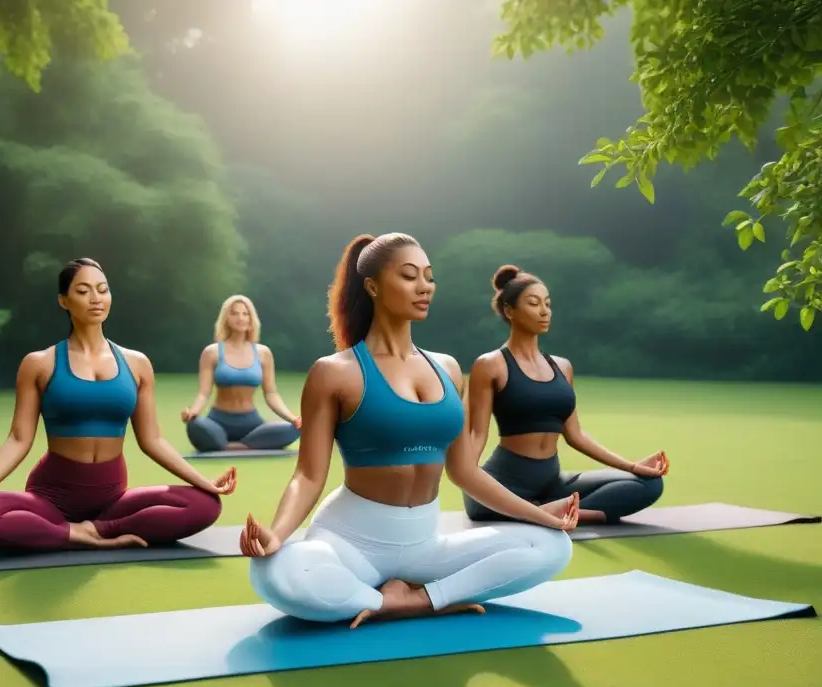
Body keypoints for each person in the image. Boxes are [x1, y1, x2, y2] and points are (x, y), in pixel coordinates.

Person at [239, 233, 578, 629]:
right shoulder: (334, 372)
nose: (424, 287)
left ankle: (419, 599)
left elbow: (465, 472)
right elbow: (309, 474)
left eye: (429, 277)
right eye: (409, 276)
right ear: (373, 286)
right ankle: (387, 599)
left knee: (553, 545)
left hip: (425, 547)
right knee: (275, 572)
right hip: (351, 542)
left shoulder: (448, 369)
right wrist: (278, 535)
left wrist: (537, 514)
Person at [0, 258, 237, 551]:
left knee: (205, 505)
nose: (96, 298)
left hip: (112, 500)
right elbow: (19, 438)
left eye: (103, 289)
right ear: (63, 300)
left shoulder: (137, 364)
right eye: (83, 290)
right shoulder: (39, 364)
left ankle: (97, 530)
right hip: (51, 498)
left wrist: (204, 482)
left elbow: (152, 440)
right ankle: (71, 532)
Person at [461, 265, 668, 526]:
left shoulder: (563, 367)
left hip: (553, 480)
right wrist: (470, 477)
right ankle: (545, 511)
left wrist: (634, 467)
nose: (544, 310)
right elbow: (477, 434)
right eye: (533, 303)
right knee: (482, 503)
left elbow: (576, 436)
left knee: (649, 485)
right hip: (507, 481)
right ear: (509, 311)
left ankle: (561, 512)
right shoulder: (490, 365)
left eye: (547, 303)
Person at [181, 294, 302, 452]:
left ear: (252, 319)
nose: (241, 318)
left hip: (251, 423)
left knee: (293, 429)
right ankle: (246, 445)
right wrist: (193, 412)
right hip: (218, 421)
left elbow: (271, 394)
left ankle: (226, 446)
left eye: (246, 314)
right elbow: (204, 393)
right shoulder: (212, 352)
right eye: (235, 313)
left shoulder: (263, 353)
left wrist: (292, 418)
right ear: (226, 318)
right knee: (195, 426)